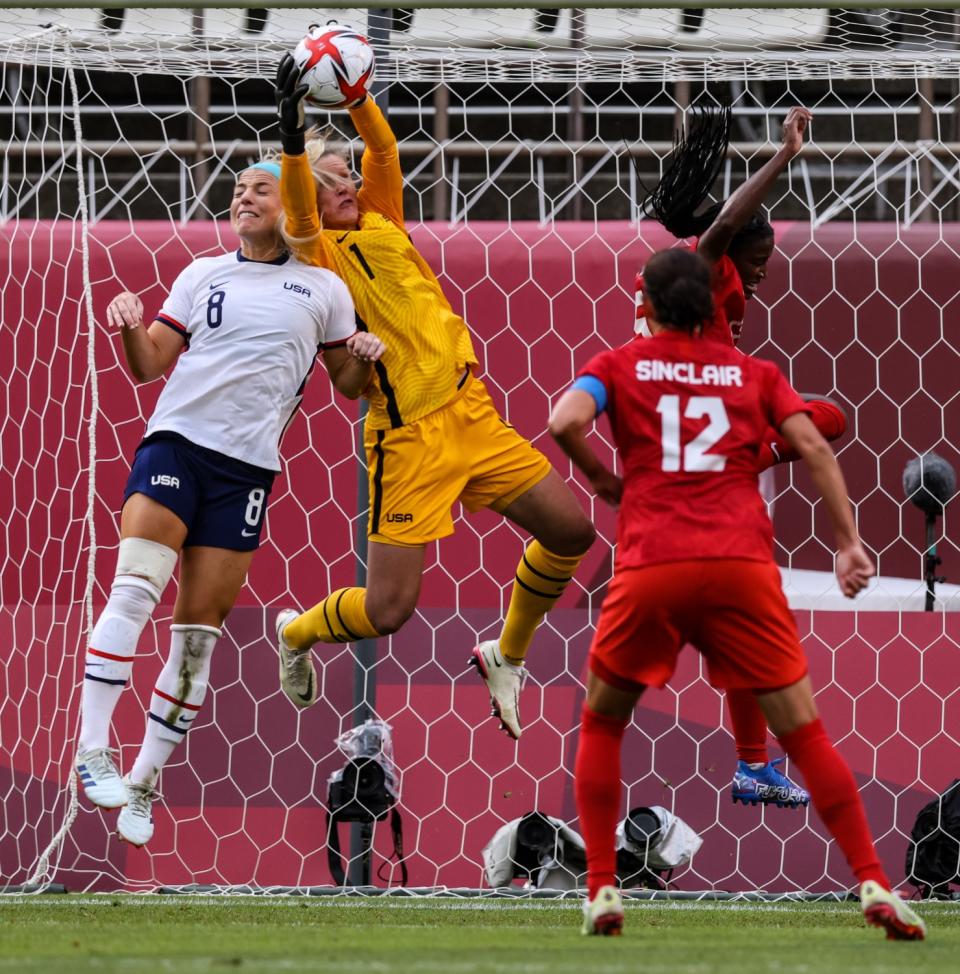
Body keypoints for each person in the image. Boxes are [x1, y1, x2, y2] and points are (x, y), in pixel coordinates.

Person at [549, 248, 925, 941]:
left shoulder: (617, 364)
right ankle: (874, 880)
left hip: (652, 563)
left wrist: (604, 481)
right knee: (806, 735)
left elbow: (563, 419)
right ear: (714, 311)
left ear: (652, 308)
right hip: (738, 567)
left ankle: (602, 886)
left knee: (604, 724)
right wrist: (848, 543)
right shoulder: (753, 374)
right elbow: (815, 440)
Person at [269, 55, 596, 740]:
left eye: (348, 175)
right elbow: (298, 203)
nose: (350, 183)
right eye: (334, 183)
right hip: (407, 435)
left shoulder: (381, 216)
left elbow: (382, 148)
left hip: (470, 412)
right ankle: (297, 632)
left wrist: (358, 95)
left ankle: (504, 655)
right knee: (390, 610)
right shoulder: (318, 254)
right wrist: (293, 130)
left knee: (571, 533)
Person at [73, 160, 385, 847]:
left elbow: (347, 384)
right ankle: (92, 750)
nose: (242, 196)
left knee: (195, 638)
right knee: (133, 591)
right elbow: (149, 363)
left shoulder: (325, 289)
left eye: (259, 188)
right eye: (237, 189)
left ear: (290, 205)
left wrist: (363, 351)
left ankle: (145, 785)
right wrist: (129, 321)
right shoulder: (200, 274)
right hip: (175, 449)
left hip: (245, 475)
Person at [636, 104, 847, 810]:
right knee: (747, 626)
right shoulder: (698, 277)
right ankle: (756, 765)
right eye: (756, 264)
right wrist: (783, 159)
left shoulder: (690, 303)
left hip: (706, 444)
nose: (760, 277)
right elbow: (725, 229)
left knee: (827, 420)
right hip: (700, 460)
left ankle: (754, 765)